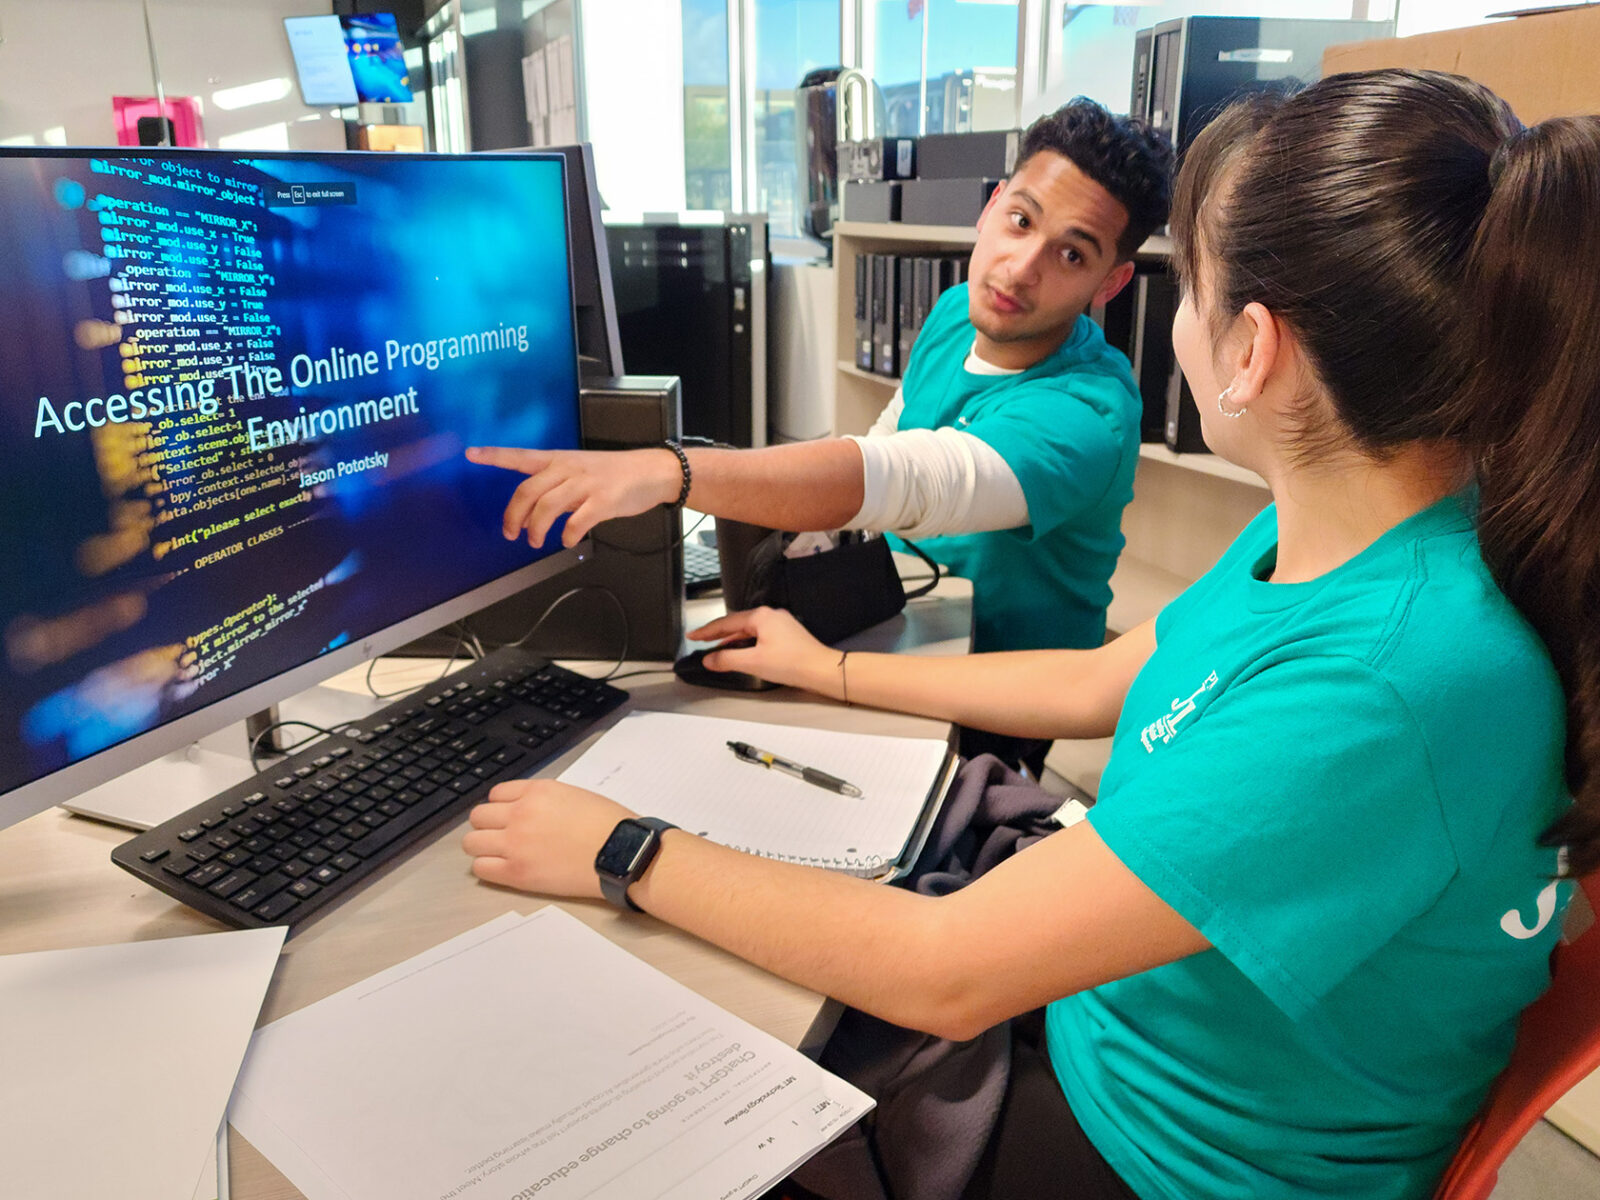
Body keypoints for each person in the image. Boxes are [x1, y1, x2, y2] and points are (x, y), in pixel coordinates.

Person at [460, 69, 1600, 1200]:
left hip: (1157, 1153)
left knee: (663, 1100)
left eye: (1186, 289)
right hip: (1115, 1026)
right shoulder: (1354, 531)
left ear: (1249, 350)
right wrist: (831, 671)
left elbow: (944, 973)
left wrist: (622, 848)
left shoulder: (1383, 680)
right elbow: (1117, 676)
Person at [468, 99, 1172, 774]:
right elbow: (895, 430)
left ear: (1109, 284)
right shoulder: (960, 310)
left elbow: (917, 479)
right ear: (991, 208)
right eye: (1020, 221)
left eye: (1071, 256)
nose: (1022, 267)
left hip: (991, 697)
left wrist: (672, 470)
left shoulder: (1091, 411)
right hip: (896, 619)